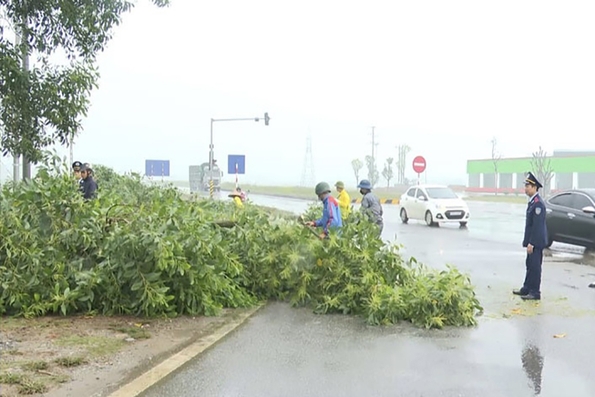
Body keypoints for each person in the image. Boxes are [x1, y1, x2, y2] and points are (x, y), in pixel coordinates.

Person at [513, 172, 548, 300]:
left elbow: (537, 227)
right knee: (529, 264)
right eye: (526, 185)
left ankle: (535, 292)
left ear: (534, 188)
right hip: (531, 241)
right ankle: (526, 288)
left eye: (528, 185)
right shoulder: (533, 202)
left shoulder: (538, 204)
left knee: (535, 267)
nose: (525, 188)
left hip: (536, 242)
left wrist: (532, 243)